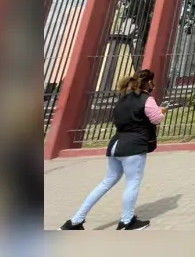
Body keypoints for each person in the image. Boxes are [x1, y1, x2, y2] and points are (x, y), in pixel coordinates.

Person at [58, 69, 166, 231]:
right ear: (149, 82)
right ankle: (127, 222)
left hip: (116, 145)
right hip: (133, 147)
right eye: (153, 82)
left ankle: (75, 221)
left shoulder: (122, 99)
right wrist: (161, 112)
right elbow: (156, 119)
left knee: (106, 182)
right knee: (132, 183)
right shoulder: (147, 99)